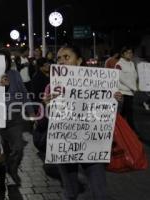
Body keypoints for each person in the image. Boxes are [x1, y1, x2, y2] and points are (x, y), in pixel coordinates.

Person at [42, 45, 122, 200]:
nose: (62, 62)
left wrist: (117, 101)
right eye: (59, 58)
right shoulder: (52, 87)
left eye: (67, 57)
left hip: (92, 145)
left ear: (78, 61)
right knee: (71, 193)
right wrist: (48, 106)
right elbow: (47, 122)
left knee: (101, 193)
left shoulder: (99, 83)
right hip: (65, 145)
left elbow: (111, 116)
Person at [0, 49, 35, 190]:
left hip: (14, 119)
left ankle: (12, 168)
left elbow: (24, 94)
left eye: (3, 60)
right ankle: (1, 175)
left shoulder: (15, 75)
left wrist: (31, 113)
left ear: (7, 61)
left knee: (18, 147)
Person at [115, 46, 137, 130]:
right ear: (123, 54)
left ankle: (120, 132)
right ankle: (134, 132)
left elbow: (134, 77)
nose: (130, 54)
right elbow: (122, 78)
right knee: (129, 113)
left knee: (123, 114)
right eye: (127, 53)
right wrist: (134, 87)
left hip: (130, 92)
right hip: (123, 92)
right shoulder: (119, 64)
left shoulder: (132, 64)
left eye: (131, 52)